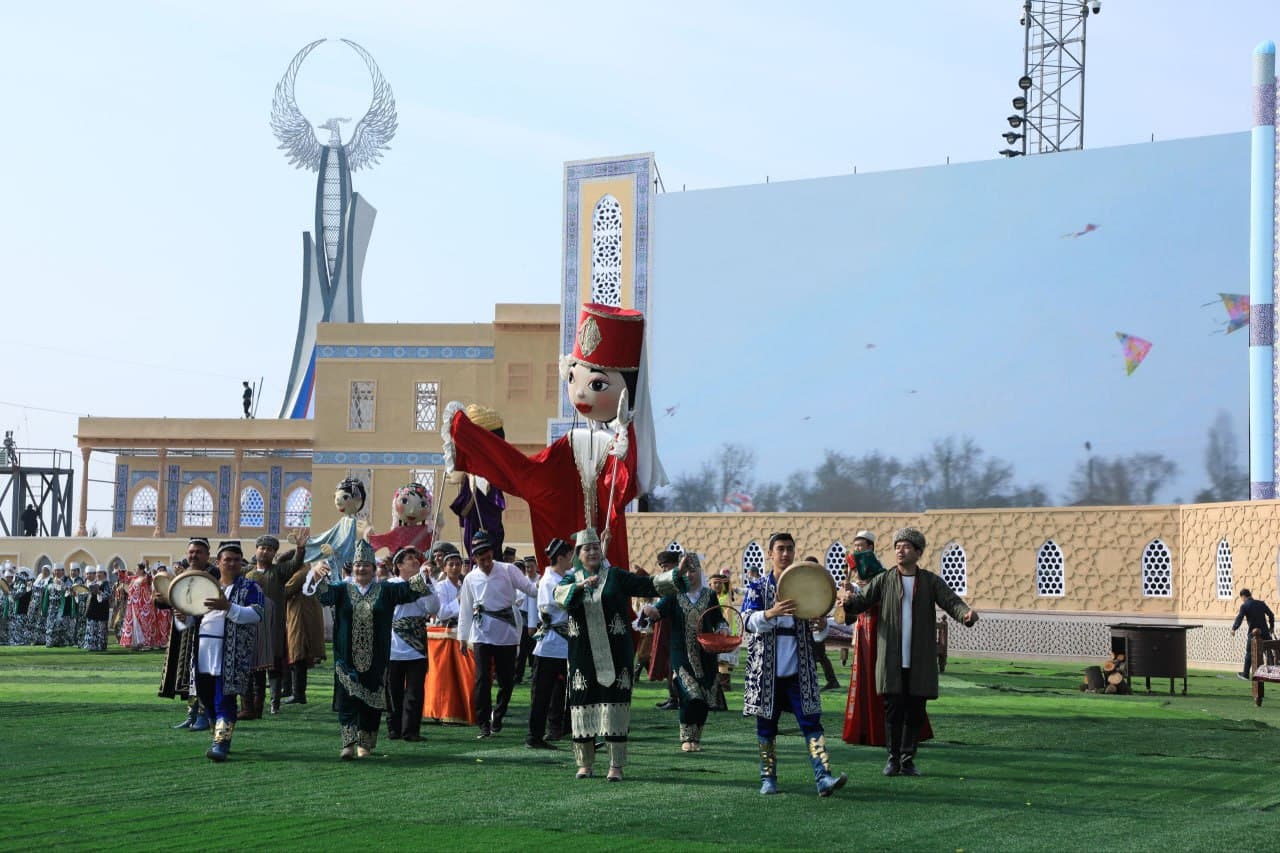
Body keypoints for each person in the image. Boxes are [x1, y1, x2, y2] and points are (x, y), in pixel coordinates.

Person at [442, 304, 652, 572]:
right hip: (570, 518)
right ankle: (467, 439)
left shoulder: (622, 440)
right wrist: (474, 442)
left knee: (608, 587)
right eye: (574, 378)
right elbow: (529, 474)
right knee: (523, 475)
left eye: (597, 384)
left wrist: (623, 450)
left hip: (604, 533)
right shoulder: (572, 441)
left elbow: (622, 488)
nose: (581, 393)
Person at [839, 527, 978, 778]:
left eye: (905, 547)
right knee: (893, 710)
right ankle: (892, 759)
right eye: (897, 546)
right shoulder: (884, 580)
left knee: (915, 709)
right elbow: (862, 603)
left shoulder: (930, 581)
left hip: (919, 657)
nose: (899, 551)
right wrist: (848, 600)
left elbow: (951, 601)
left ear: (918, 552)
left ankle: (907, 758)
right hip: (891, 657)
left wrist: (965, 614)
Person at [554, 527, 688, 782]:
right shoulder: (570, 579)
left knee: (614, 705)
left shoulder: (614, 576)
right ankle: (585, 763)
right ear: (578, 555)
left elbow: (647, 584)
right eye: (587, 548)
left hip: (616, 654)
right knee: (583, 704)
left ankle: (616, 766)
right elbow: (559, 598)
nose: (592, 551)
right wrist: (581, 586)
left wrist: (676, 575)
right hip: (583, 656)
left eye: (596, 547)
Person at [303, 539, 434, 760]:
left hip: (377, 657)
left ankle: (365, 744)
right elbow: (322, 595)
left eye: (366, 565)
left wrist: (425, 573)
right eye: (357, 565)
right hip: (346, 656)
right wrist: (315, 574)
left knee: (372, 700)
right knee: (347, 698)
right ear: (352, 569)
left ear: (374, 569)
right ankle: (348, 744)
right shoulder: (343, 590)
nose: (361, 568)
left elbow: (412, 589)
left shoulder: (386, 590)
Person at [742, 533, 847, 797]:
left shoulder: (804, 585)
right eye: (780, 549)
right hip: (766, 670)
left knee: (812, 722)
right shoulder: (757, 587)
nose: (785, 554)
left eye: (790, 549)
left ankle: (823, 777)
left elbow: (818, 624)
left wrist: (822, 626)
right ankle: (768, 778)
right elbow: (746, 620)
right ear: (770, 553)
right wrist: (770, 613)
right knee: (766, 726)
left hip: (800, 670)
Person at [839, 531, 934, 748]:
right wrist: (848, 598)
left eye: (862, 546)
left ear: (871, 547)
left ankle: (887, 733)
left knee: (883, 680)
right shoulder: (859, 574)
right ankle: (866, 730)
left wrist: (857, 594)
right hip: (863, 628)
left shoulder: (882, 575)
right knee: (864, 677)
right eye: (855, 546)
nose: (858, 550)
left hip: (879, 632)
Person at [173, 541, 263, 761]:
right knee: (206, 697)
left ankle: (221, 743)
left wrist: (229, 607)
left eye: (236, 560)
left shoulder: (250, 587)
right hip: (204, 650)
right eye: (227, 559)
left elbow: (256, 614)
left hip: (231, 653)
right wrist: (183, 618)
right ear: (218, 562)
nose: (232, 564)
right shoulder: (205, 587)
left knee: (224, 698)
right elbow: (193, 619)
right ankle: (220, 734)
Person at [640, 553, 726, 752]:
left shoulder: (709, 595)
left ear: (699, 572)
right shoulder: (674, 595)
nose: (690, 575)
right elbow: (657, 611)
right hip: (682, 655)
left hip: (706, 655)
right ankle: (686, 737)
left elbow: (717, 619)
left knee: (704, 698)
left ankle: (696, 738)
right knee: (689, 694)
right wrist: (651, 612)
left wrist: (722, 627)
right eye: (686, 571)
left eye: (693, 570)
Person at [457, 530, 538, 738]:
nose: (485, 563)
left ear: (493, 554)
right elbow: (466, 608)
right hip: (482, 632)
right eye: (481, 559)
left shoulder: (509, 570)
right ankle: (483, 722)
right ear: (475, 559)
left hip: (507, 632)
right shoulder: (470, 578)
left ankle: (498, 715)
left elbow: (530, 589)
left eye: (488, 558)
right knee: (482, 679)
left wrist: (548, 585)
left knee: (506, 680)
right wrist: (462, 637)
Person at [242, 532, 308, 716]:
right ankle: (255, 704)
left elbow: (295, 564)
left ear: (274, 554)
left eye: (270, 549)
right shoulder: (246, 572)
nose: (265, 552)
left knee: (274, 665)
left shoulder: (278, 572)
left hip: (273, 628)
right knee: (254, 667)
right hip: (251, 627)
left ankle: (274, 704)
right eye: (262, 548)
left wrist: (300, 548)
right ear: (256, 550)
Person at [160, 538, 220, 731]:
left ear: (207, 555)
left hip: (208, 631)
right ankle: (191, 714)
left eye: (199, 552)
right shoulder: (183, 574)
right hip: (186, 632)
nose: (194, 555)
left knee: (203, 675)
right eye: (191, 552)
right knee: (190, 675)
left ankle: (204, 715)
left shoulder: (213, 575)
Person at [386, 546, 440, 742]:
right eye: (409, 558)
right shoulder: (390, 584)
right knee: (393, 690)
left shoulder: (425, 582)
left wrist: (426, 582)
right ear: (399, 565)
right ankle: (394, 727)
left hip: (416, 644)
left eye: (415, 558)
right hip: (393, 644)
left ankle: (411, 730)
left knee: (415, 690)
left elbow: (433, 607)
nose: (415, 561)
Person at [526, 538, 572, 749]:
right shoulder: (549, 581)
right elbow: (563, 602)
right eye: (569, 556)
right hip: (550, 645)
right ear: (560, 557)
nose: (572, 560)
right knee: (542, 693)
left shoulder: (566, 577)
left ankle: (562, 729)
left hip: (566, 645)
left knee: (567, 691)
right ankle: (534, 735)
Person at [282, 548, 326, 706]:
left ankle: (298, 694)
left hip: (301, 617)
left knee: (298, 655)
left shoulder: (302, 573)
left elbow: (285, 591)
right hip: (302, 615)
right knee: (298, 656)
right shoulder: (307, 571)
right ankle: (297, 692)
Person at [1231, 588, 1276, 679]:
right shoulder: (1261, 603)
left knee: (1249, 653)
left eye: (1242, 598)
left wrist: (1234, 628)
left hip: (1253, 633)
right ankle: (1274, 673)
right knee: (1269, 652)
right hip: (1265, 632)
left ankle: (1245, 674)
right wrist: (1271, 627)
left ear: (1243, 597)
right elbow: (1271, 615)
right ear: (1250, 594)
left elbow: (1239, 618)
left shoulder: (1245, 606)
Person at [514, 557, 540, 684]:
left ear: (536, 566)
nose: (529, 569)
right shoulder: (522, 581)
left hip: (539, 618)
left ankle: (535, 674)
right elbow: (518, 598)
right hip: (523, 617)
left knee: (535, 649)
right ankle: (518, 675)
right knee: (523, 649)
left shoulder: (540, 579)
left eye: (531, 566)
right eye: (527, 567)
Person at [40, 564, 77, 647]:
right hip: (52, 608)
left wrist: (62, 584)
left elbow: (71, 592)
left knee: (63, 626)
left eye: (59, 570)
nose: (57, 572)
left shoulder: (68, 581)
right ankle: (50, 642)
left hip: (63, 608)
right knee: (51, 626)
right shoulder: (50, 581)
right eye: (55, 570)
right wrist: (44, 609)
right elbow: (46, 595)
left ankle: (64, 642)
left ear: (63, 571)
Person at [82, 567, 111, 651]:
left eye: (100, 573)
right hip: (92, 608)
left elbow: (108, 595)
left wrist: (99, 592)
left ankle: (100, 646)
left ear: (104, 574)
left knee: (101, 629)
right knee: (91, 627)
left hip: (102, 610)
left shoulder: (107, 584)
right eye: (97, 573)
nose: (98, 574)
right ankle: (90, 645)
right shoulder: (93, 583)